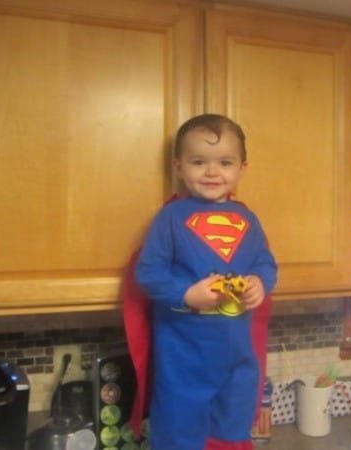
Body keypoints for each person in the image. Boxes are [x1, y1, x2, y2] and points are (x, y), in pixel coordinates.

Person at [133, 114, 278, 450]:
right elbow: (148, 272)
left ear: (241, 168)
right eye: (199, 162)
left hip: (237, 359)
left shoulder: (249, 219)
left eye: (225, 163)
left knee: (232, 432)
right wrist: (186, 294)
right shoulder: (170, 218)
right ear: (179, 167)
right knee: (179, 435)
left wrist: (260, 280)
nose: (212, 172)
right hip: (183, 360)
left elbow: (265, 262)